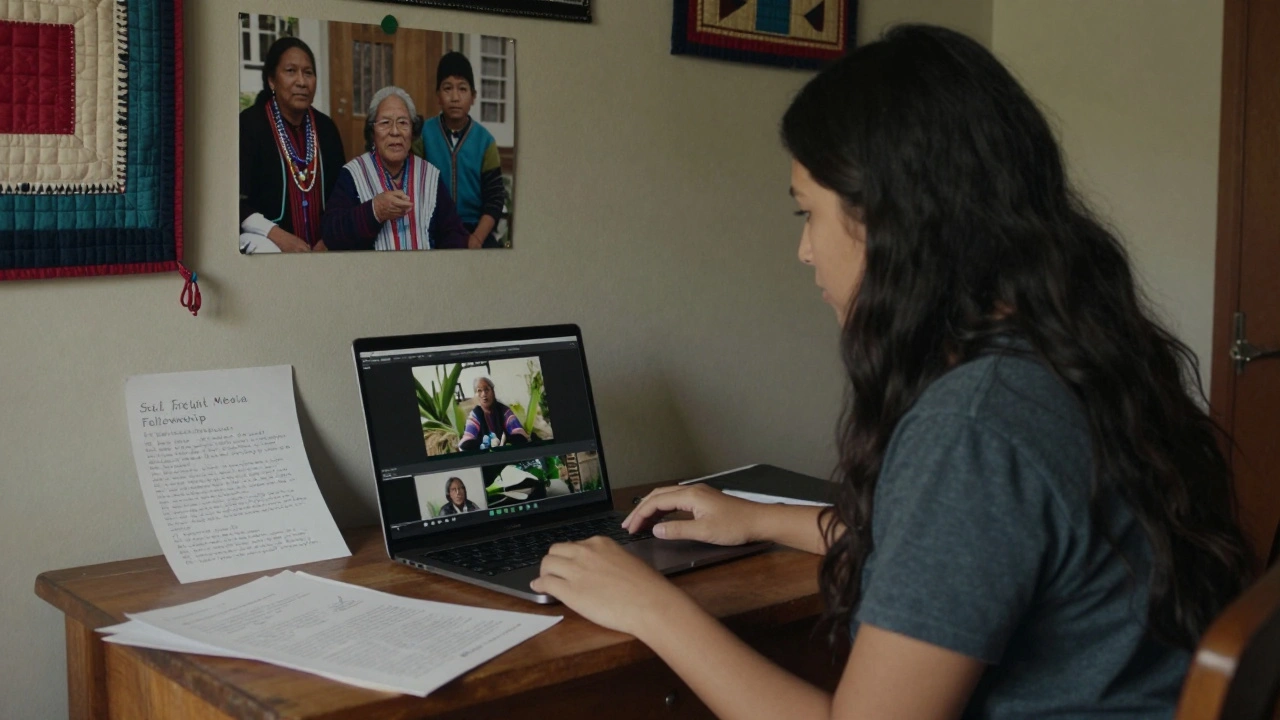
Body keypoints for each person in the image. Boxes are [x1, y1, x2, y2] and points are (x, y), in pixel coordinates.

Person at [530, 25, 1254, 720]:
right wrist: (758, 519)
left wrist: (651, 607)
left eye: (808, 214)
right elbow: (967, 550)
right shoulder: (1066, 353)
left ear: (890, 222)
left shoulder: (973, 426)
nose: (804, 251)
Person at [320, 86, 469, 251]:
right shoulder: (353, 174)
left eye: (403, 123)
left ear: (412, 131)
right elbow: (331, 234)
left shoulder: (429, 175)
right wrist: (374, 211)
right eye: (385, 123)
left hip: (424, 267)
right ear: (372, 132)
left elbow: (455, 234)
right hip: (371, 268)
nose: (395, 131)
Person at [239, 37, 346, 254]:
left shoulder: (326, 129)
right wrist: (277, 236)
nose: (302, 82)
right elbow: (234, 202)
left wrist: (329, 239)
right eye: (290, 71)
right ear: (272, 80)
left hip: (321, 249)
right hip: (269, 245)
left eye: (308, 73)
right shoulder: (250, 125)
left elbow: (342, 196)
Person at [412, 52, 506, 249]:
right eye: (447, 88)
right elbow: (413, 188)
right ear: (438, 96)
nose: (455, 97)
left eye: (462, 89)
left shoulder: (485, 142)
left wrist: (477, 238)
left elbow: (495, 199)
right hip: (434, 229)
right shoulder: (423, 136)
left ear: (473, 97)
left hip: (475, 229)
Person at [458, 377, 530, 451]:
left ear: (493, 391)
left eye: (487, 389)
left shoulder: (504, 411)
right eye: (479, 390)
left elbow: (519, 433)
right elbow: (467, 438)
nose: (484, 394)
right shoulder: (475, 415)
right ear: (475, 395)